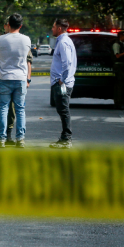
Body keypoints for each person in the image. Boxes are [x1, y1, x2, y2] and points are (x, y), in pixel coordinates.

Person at [0, 13, 31, 148]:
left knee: (3, 109)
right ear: (21, 25)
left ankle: (1, 139)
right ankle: (20, 139)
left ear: (8, 24)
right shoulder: (27, 40)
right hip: (20, 79)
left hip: (4, 78)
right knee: (20, 110)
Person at [0, 41, 33, 146]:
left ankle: (7, 135)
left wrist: (28, 78)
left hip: (15, 78)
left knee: (12, 107)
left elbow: (28, 61)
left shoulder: (21, 40)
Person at [49, 18, 77, 149]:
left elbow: (67, 63)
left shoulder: (64, 42)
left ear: (59, 28)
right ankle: (64, 138)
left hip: (62, 83)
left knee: (64, 110)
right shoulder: (63, 41)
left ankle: (67, 139)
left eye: (54, 27)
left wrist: (62, 79)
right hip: (61, 82)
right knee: (62, 110)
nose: (52, 29)